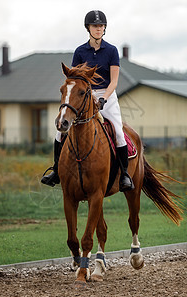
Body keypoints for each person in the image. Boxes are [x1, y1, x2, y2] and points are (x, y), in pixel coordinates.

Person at [41, 10, 134, 192]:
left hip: (107, 95)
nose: (98, 29)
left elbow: (114, 81)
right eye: (95, 26)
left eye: (101, 26)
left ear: (104, 28)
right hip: (84, 95)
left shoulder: (112, 51)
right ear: (88, 28)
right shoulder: (80, 51)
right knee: (60, 132)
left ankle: (124, 175)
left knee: (118, 132)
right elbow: (75, 79)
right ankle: (56, 171)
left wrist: (103, 99)